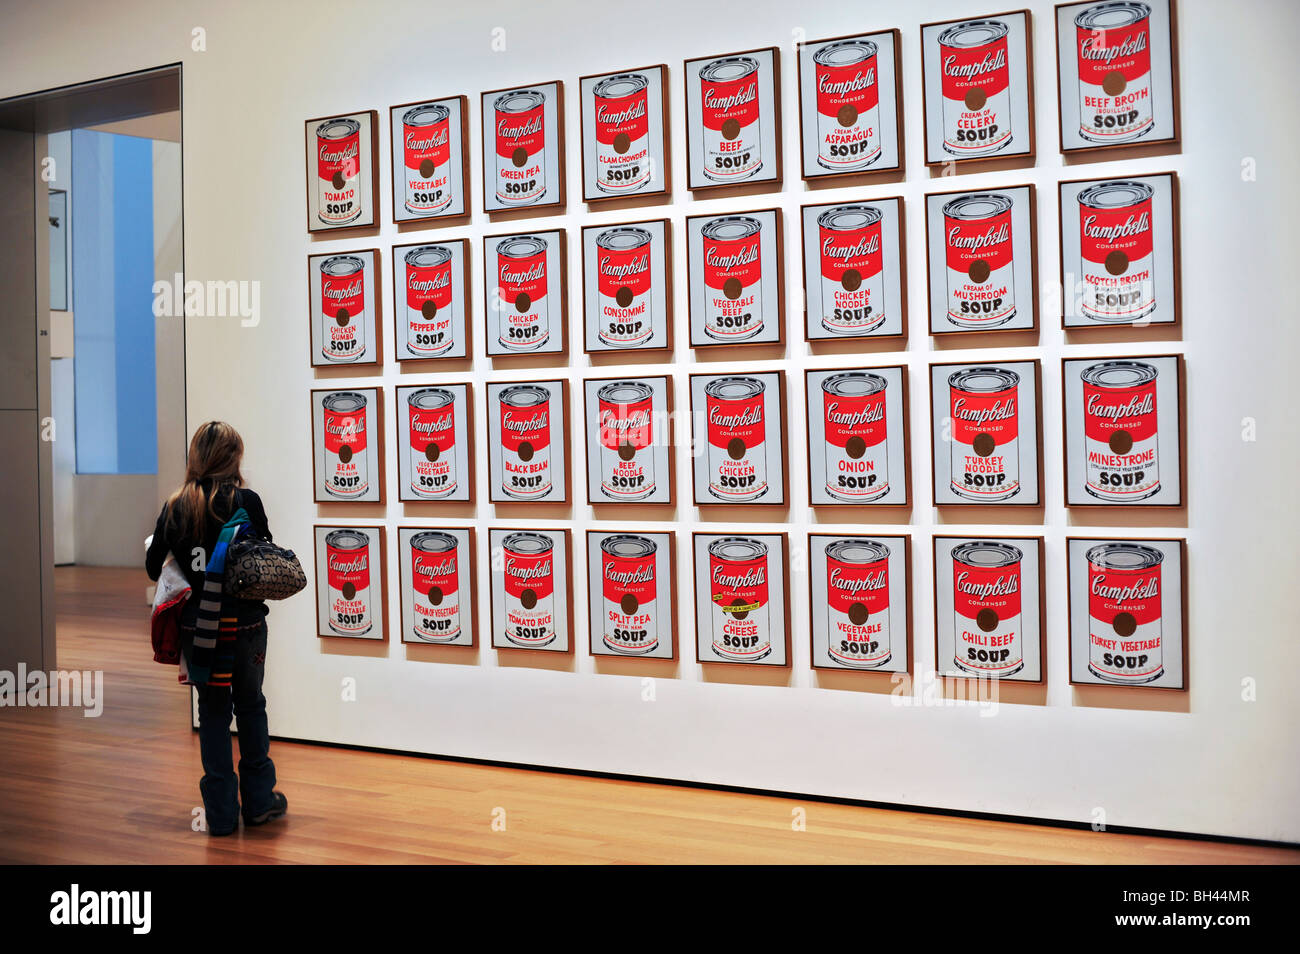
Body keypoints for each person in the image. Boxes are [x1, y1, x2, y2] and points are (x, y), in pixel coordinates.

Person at [145, 421, 287, 836]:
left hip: (200, 627)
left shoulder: (176, 505)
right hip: (245, 623)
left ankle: (221, 814)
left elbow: (155, 567)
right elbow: (264, 557)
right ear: (234, 457)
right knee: (251, 706)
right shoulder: (247, 500)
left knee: (212, 714)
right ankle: (260, 801)